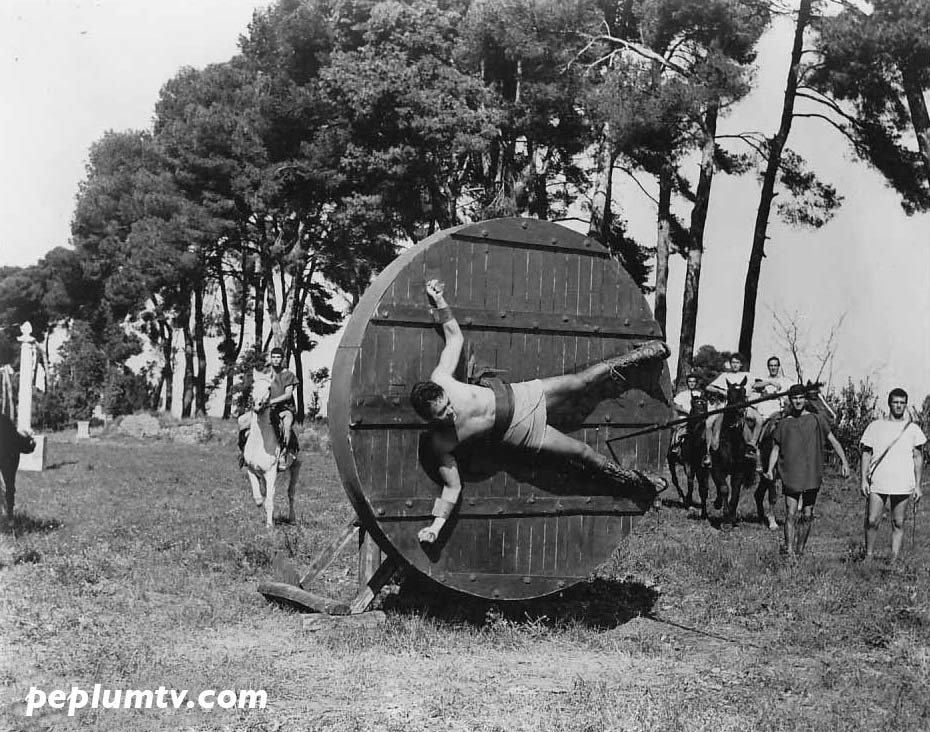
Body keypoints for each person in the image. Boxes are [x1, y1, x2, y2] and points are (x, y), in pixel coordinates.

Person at [410, 279, 669, 543]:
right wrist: (435, 527)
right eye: (442, 414)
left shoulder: (442, 379)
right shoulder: (441, 444)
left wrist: (439, 300)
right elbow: (452, 488)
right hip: (520, 432)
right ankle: (637, 481)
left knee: (581, 381)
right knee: (582, 452)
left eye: (448, 404)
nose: (450, 412)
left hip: (522, 395)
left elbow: (455, 337)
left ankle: (639, 356)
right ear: (428, 419)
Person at [764, 384, 851, 558]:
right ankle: (789, 552)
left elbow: (833, 441)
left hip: (811, 472)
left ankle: (800, 550)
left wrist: (844, 462)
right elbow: (776, 448)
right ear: (790, 400)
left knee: (807, 513)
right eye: (794, 398)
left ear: (805, 399)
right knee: (790, 513)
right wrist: (769, 469)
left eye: (800, 398)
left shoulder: (816, 420)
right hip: (791, 473)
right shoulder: (784, 423)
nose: (798, 401)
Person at [860, 388, 925, 561]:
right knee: (872, 520)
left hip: (903, 482)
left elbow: (918, 457)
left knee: (898, 522)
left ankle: (894, 560)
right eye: (895, 402)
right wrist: (863, 480)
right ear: (889, 403)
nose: (898, 406)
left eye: (902, 403)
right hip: (878, 480)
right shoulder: (875, 426)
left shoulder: (913, 429)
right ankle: (868, 556)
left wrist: (918, 485)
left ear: (906, 405)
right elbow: (866, 453)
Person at [237, 347, 299, 467]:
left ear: (282, 359)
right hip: (265, 408)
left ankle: (284, 453)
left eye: (278, 357)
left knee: (286, 424)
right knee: (242, 420)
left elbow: (288, 395)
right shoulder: (266, 374)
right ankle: (243, 451)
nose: (276, 360)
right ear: (271, 358)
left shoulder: (288, 375)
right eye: (274, 357)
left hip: (284, 408)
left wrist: (272, 401)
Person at [704, 353, 762, 465]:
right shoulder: (724, 376)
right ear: (730, 364)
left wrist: (770, 382)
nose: (735, 365)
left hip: (743, 408)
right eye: (733, 362)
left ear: (741, 364)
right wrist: (720, 391)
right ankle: (708, 453)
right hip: (725, 408)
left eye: (737, 362)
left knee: (759, 420)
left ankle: (752, 445)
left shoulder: (747, 375)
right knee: (708, 423)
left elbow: (757, 384)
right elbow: (708, 387)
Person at [670, 374, 701, 457]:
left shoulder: (699, 394)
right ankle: (676, 447)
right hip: (685, 419)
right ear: (687, 383)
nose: (692, 383)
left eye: (693, 382)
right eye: (690, 381)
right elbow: (676, 406)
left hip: (697, 419)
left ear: (696, 383)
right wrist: (687, 412)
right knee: (681, 433)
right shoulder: (682, 394)